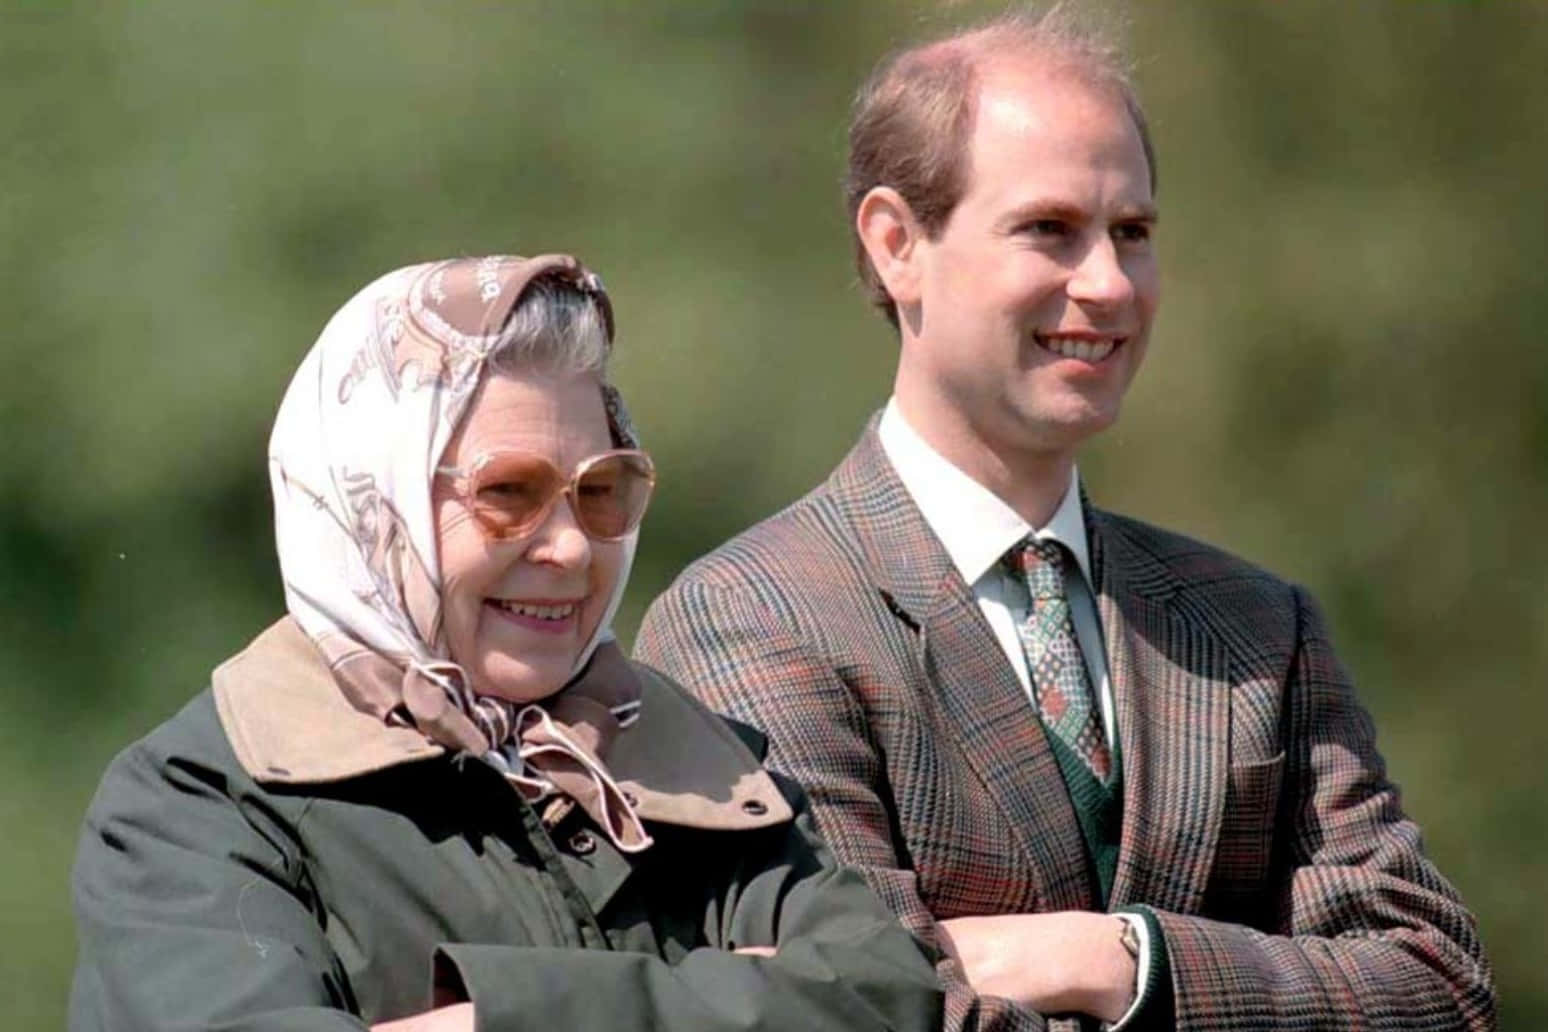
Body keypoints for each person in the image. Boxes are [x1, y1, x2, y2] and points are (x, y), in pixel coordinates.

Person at [634, 10, 1495, 1031]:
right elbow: (860, 1011)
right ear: (897, 242)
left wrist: (1118, 959)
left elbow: (1438, 989)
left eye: (1133, 233)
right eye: (1050, 229)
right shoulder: (750, 620)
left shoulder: (1260, 628)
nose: (1110, 284)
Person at [69, 253, 944, 1032]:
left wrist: (492, 1016)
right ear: (371, 505)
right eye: (509, 491)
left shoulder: (686, 766)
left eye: (601, 491)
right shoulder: (197, 807)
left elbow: (884, 996)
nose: (568, 547)